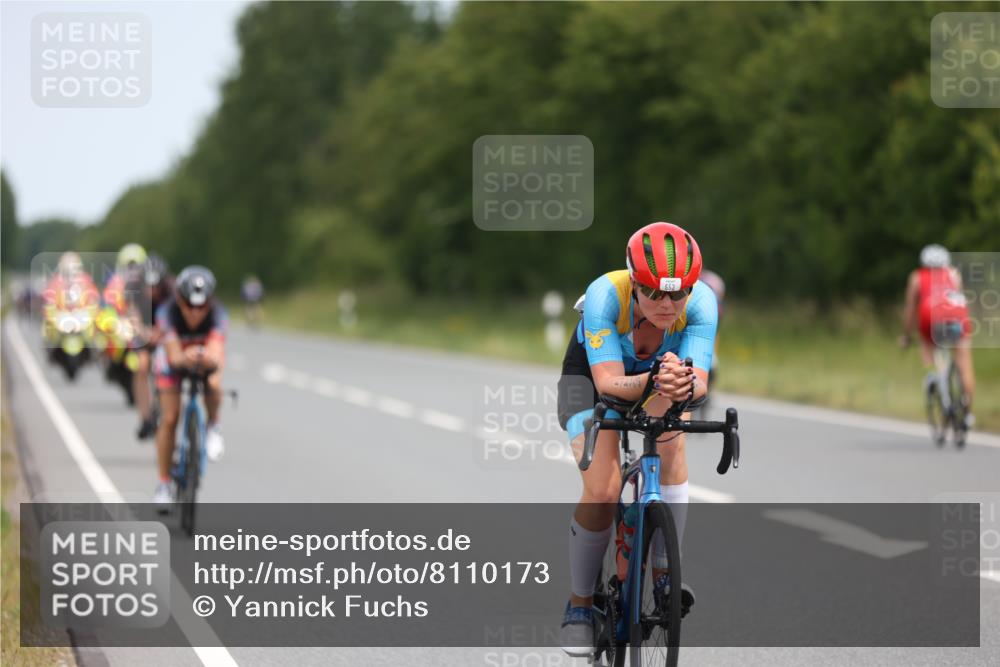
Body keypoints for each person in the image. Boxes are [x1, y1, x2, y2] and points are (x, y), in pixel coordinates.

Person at [556, 222, 717, 655]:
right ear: (634, 281)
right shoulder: (607, 294)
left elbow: (699, 383)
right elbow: (608, 383)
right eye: (655, 293)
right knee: (604, 488)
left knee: (672, 443)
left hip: (658, 380)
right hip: (590, 381)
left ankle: (666, 577)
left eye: (678, 293)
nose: (668, 304)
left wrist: (681, 386)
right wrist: (655, 379)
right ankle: (579, 605)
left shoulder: (701, 301)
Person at [151, 266, 228, 510]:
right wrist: (187, 355)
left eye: (201, 306)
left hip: (203, 357)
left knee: (214, 383)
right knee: (170, 418)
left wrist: (206, 358)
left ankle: (213, 425)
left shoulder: (219, 314)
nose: (195, 313)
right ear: (179, 299)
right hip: (174, 360)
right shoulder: (167, 312)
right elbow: (173, 357)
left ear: (210, 302)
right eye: (189, 305)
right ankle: (164, 484)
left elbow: (216, 353)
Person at [899, 244, 975, 427]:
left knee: (926, 343)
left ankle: (932, 376)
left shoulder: (917, 277)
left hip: (930, 318)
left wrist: (906, 335)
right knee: (964, 364)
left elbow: (910, 309)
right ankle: (967, 413)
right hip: (957, 317)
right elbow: (960, 299)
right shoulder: (954, 274)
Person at [132, 254, 174, 439]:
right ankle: (145, 416)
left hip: (164, 332)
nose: (152, 290)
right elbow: (132, 318)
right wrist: (145, 333)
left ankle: (166, 405)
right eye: (147, 285)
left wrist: (162, 334)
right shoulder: (133, 289)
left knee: (167, 365)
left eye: (155, 286)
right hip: (144, 332)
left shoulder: (172, 290)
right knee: (141, 366)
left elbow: (174, 319)